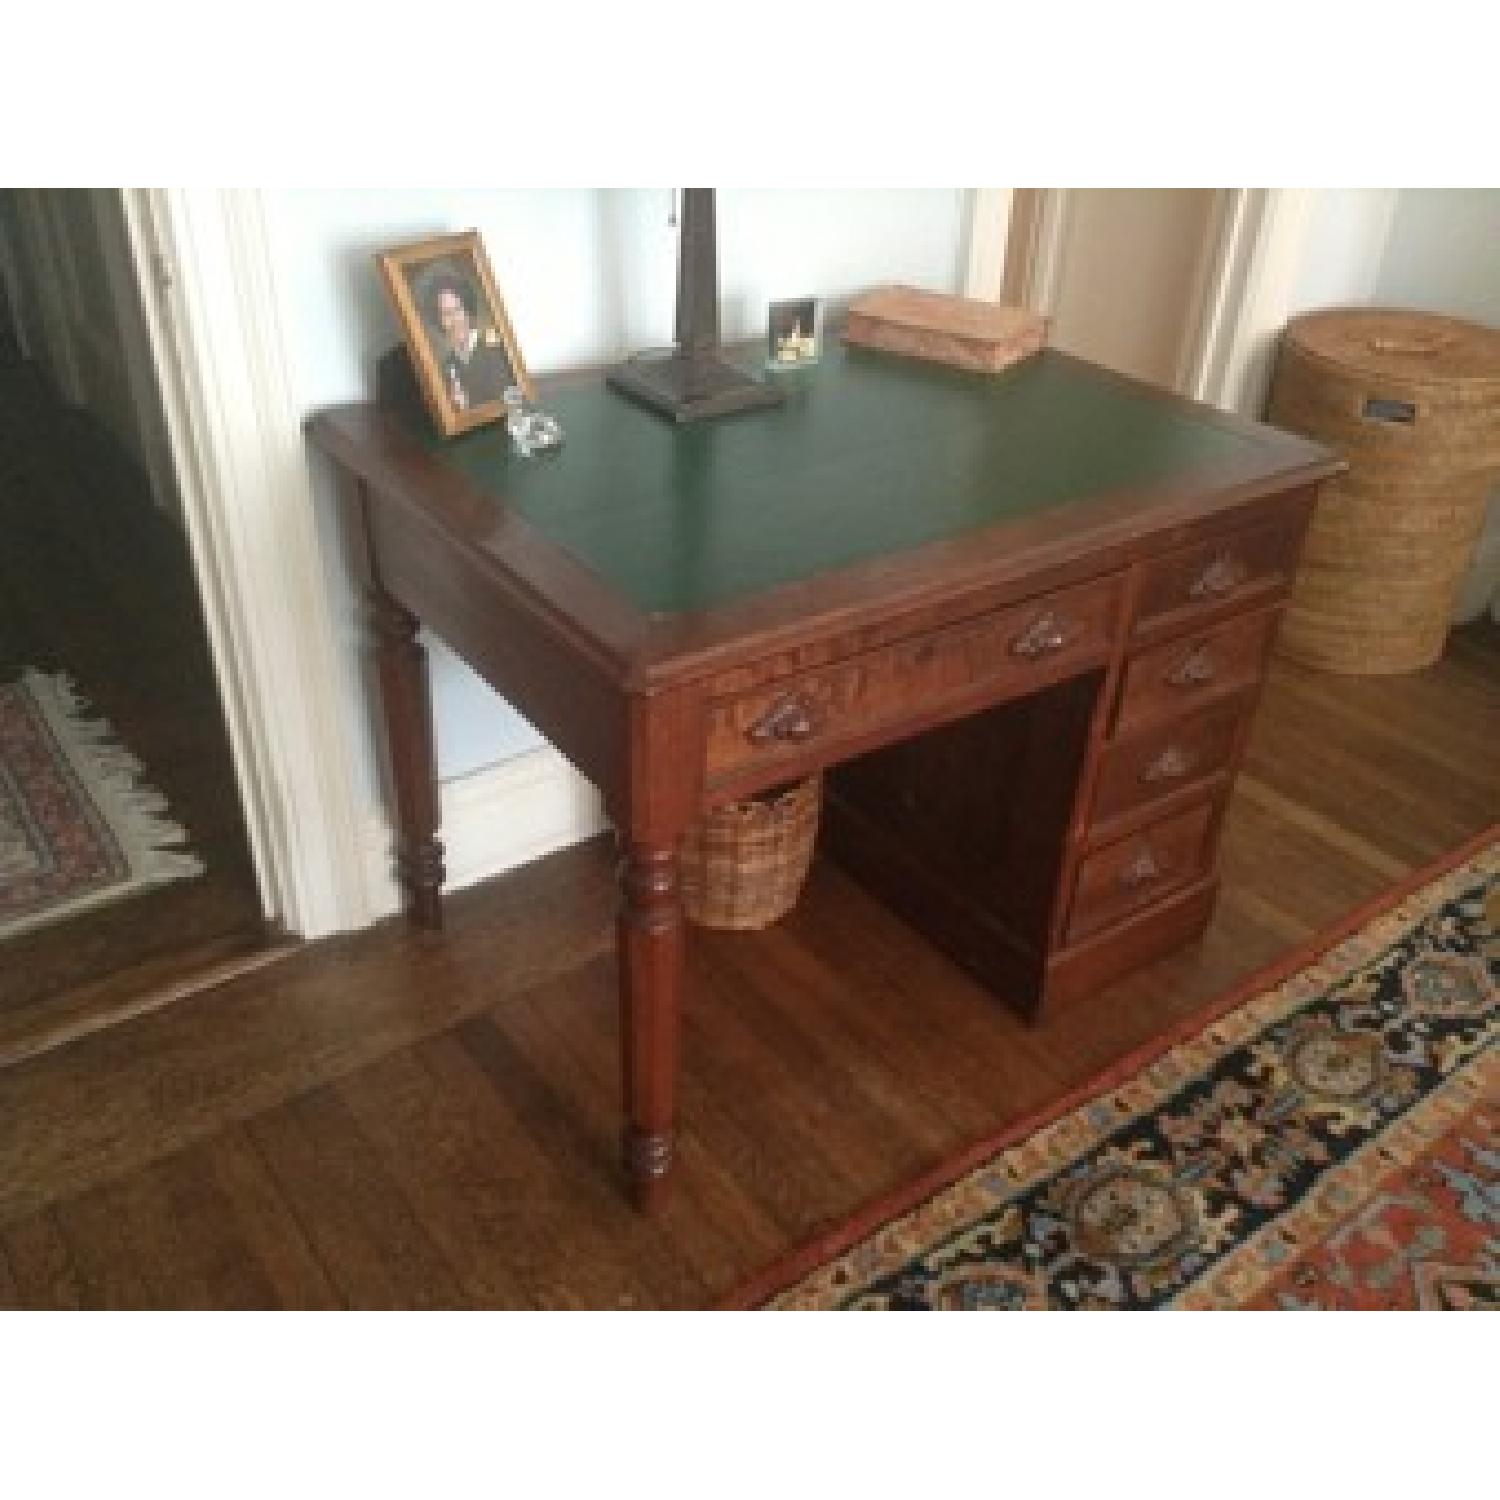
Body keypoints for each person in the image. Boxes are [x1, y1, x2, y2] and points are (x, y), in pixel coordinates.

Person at [425, 270, 515, 413]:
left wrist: (469, 403)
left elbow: (507, 398)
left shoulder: (494, 346)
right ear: (439, 320)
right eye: (446, 314)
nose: (454, 320)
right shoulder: (448, 363)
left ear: (468, 310)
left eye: (458, 310)